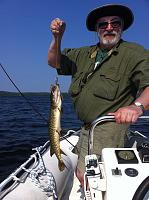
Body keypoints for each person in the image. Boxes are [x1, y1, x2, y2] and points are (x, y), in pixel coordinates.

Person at [48, 4, 149, 186]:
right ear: (96, 29)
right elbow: (54, 62)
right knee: (83, 174)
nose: (109, 27)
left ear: (122, 26)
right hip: (87, 127)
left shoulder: (135, 53)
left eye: (115, 23)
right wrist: (57, 37)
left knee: (91, 178)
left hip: (109, 128)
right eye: (103, 25)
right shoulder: (83, 54)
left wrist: (137, 106)